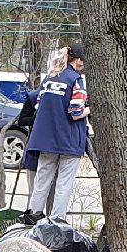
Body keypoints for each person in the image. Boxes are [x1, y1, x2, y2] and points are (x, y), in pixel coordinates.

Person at [23, 44, 90, 221]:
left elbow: (38, 105)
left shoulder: (49, 78)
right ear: (78, 60)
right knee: (64, 184)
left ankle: (34, 215)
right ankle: (57, 220)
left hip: (45, 139)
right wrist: (90, 109)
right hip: (69, 140)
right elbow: (76, 113)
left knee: (42, 180)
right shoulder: (76, 80)